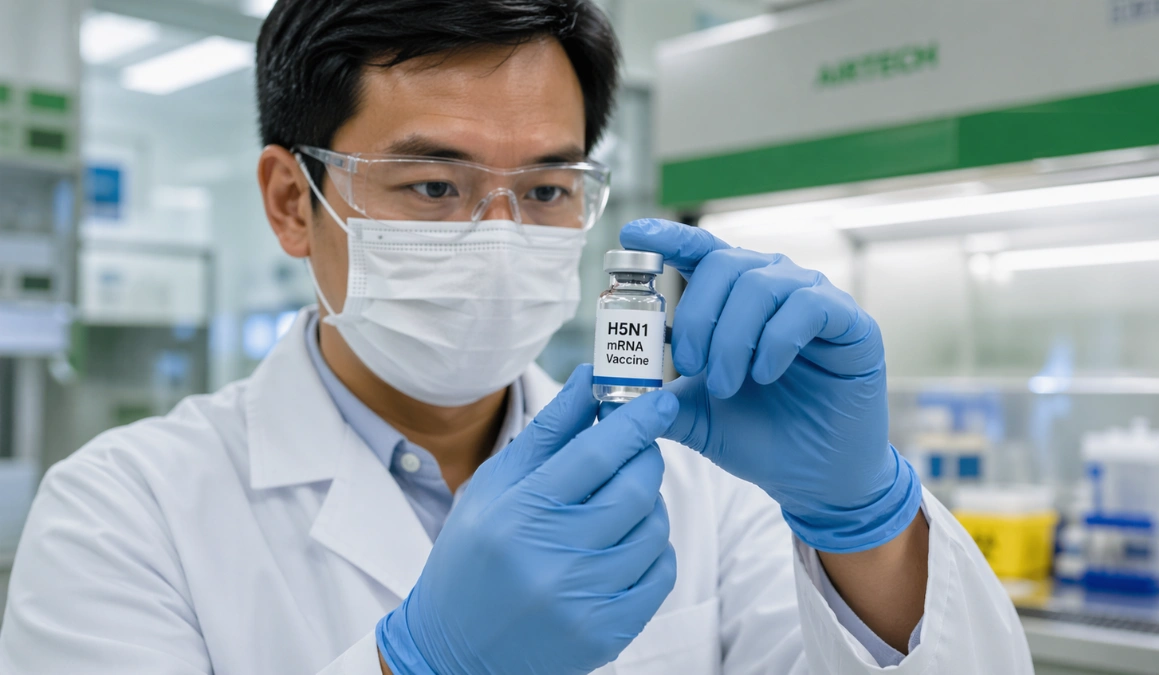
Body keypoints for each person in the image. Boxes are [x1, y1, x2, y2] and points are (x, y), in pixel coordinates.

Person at [0, 1, 1033, 673]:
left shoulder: (702, 485)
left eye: (545, 188)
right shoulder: (122, 512)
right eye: (434, 184)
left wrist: (866, 525)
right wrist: (419, 664)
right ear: (289, 201)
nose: (499, 237)